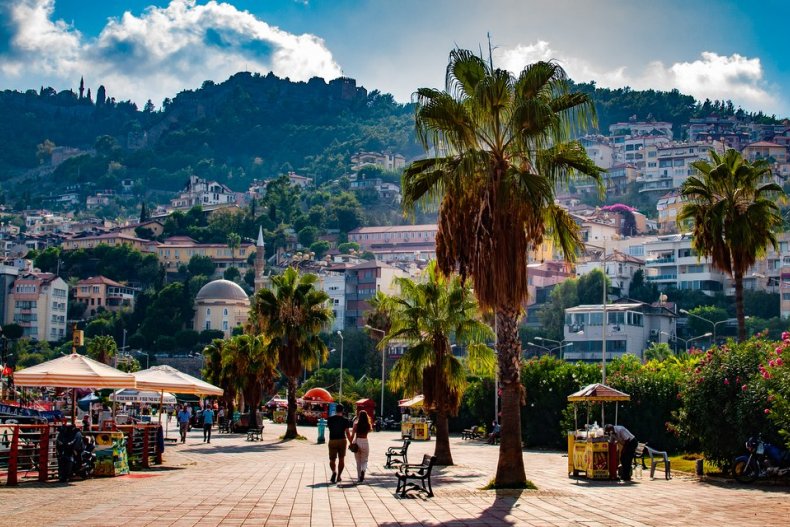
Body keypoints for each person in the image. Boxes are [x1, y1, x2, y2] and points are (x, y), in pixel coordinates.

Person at [326, 404, 352, 484]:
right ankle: (339, 476)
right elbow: (347, 432)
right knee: (341, 459)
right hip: (342, 440)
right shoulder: (345, 420)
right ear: (342, 410)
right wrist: (351, 442)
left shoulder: (330, 419)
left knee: (332, 459)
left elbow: (329, 428)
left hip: (332, 440)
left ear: (336, 410)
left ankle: (334, 471)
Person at [350, 410, 372, 482]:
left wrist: (351, 443)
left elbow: (352, 435)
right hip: (365, 441)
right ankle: (363, 470)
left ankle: (359, 477)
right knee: (364, 460)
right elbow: (370, 430)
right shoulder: (368, 425)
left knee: (358, 461)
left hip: (357, 441)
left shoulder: (356, 424)